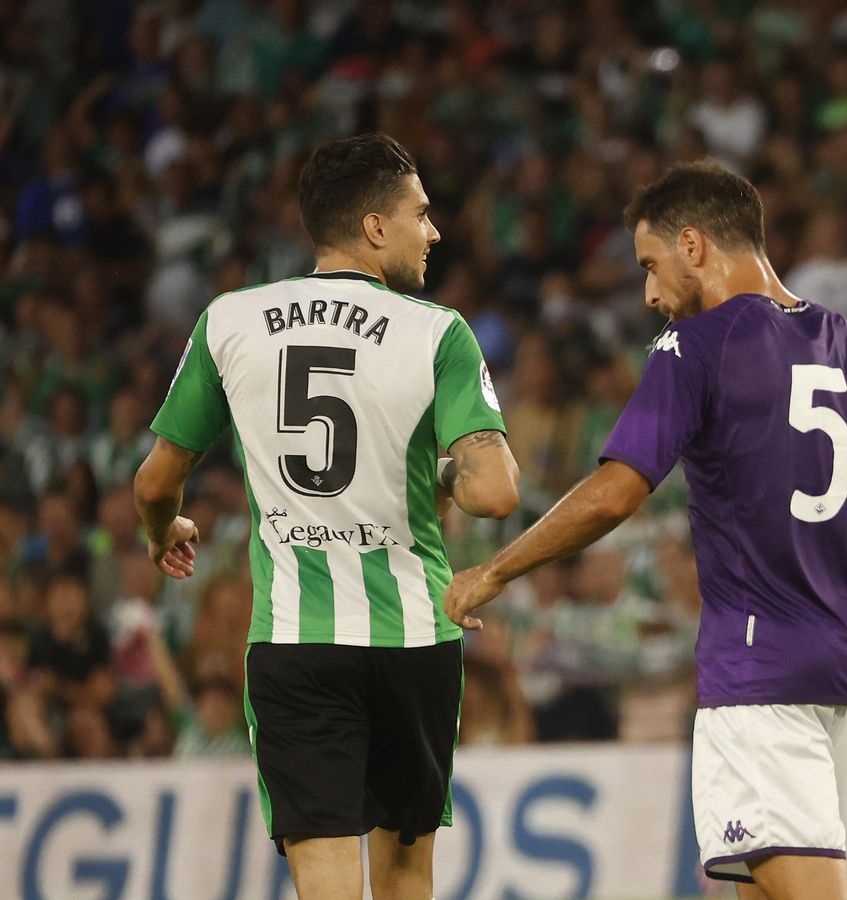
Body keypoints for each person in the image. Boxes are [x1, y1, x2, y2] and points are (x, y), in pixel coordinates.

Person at [443, 161, 847, 900]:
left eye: (651, 266)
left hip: (759, 672)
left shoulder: (695, 349)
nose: (649, 293)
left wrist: (494, 570)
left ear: (693, 246)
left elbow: (616, 494)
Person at [132, 133, 520, 900]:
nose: (433, 232)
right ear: (376, 227)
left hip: (295, 643)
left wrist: (163, 533)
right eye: (421, 214)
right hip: (414, 635)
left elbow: (153, 483)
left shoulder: (229, 321)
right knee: (406, 873)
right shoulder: (436, 331)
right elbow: (495, 494)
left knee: (325, 879)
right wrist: (445, 473)